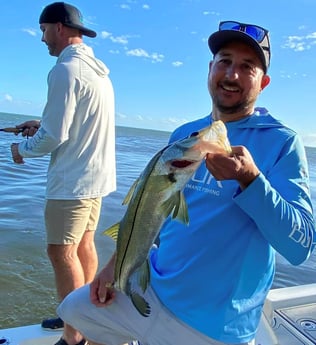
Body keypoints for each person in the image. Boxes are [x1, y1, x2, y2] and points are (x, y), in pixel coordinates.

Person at [57, 21, 315, 345]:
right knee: (75, 308)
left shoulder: (282, 142)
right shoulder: (185, 134)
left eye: (246, 67)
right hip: (154, 288)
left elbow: (300, 245)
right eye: (225, 61)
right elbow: (150, 208)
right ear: (210, 69)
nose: (232, 75)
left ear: (263, 82)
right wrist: (112, 266)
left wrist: (250, 179)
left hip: (213, 323)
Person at [10, 2, 116, 344]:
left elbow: (55, 137)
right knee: (84, 245)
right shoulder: (97, 71)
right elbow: (74, 124)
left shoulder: (64, 70)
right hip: (95, 180)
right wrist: (39, 125)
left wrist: (21, 149)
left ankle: (74, 336)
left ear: (58, 27)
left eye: (43, 30)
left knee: (61, 252)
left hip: (71, 182)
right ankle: (84, 317)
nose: (42, 39)